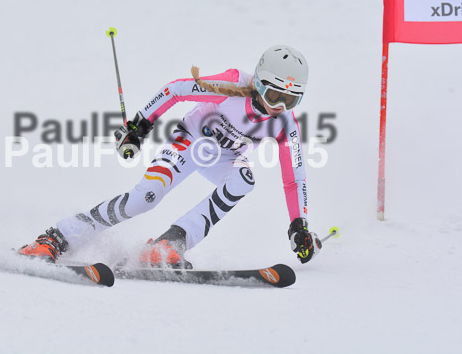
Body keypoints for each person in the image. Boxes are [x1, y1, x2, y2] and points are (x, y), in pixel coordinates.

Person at [17, 45, 323, 268]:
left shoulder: (285, 124)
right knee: (144, 199)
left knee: (244, 179)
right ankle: (56, 237)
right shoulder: (232, 85)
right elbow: (176, 90)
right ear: (258, 82)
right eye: (274, 96)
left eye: (291, 100)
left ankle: (171, 243)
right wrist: (139, 124)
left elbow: (294, 178)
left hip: (225, 159)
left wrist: (300, 224)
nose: (279, 107)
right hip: (188, 142)